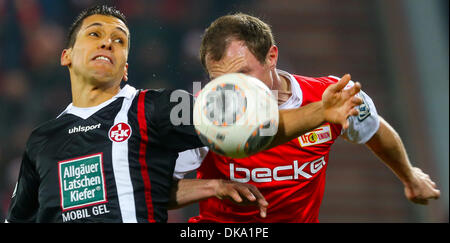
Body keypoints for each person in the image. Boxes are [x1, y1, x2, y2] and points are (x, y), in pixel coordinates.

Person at [5, 6, 363, 223]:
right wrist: (212, 185)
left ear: (126, 66)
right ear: (66, 55)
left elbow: (247, 122)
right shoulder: (42, 141)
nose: (106, 42)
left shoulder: (154, 107)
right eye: (95, 34)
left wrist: (319, 111)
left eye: (119, 40)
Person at [172, 13, 441, 223]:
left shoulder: (330, 95)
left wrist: (409, 176)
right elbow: (152, 190)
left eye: (243, 74)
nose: (234, 90)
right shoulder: (201, 114)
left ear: (271, 57)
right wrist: (212, 186)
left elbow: (373, 130)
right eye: (221, 81)